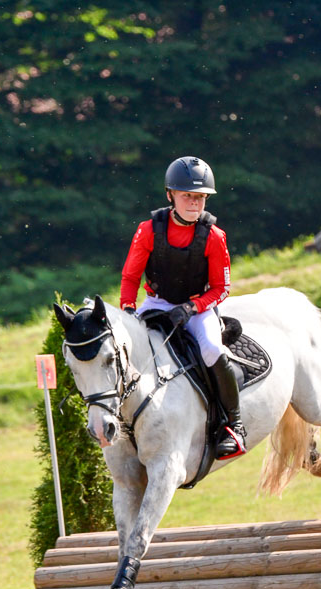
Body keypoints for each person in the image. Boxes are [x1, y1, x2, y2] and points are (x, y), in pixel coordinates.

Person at [120, 155, 246, 459]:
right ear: (170, 195)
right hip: (156, 301)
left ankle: (233, 425)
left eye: (200, 197)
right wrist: (127, 310)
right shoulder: (148, 229)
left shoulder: (215, 237)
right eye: (187, 195)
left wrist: (191, 308)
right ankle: (118, 419)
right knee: (123, 349)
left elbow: (221, 288)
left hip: (198, 307)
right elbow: (130, 276)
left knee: (213, 351)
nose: (194, 203)